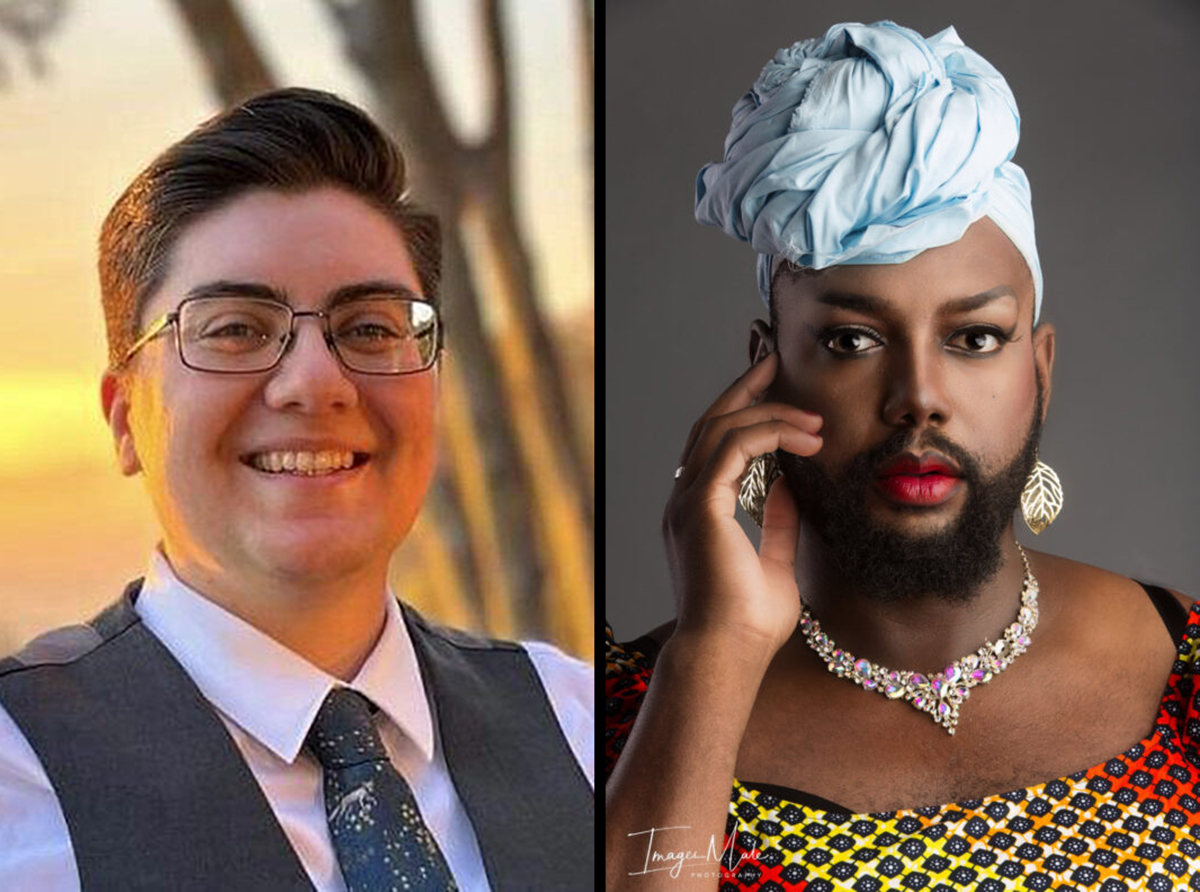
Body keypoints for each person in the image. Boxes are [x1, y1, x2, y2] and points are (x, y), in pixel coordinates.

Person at [605, 21, 1199, 892]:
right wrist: (717, 656)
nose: (918, 393)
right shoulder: (611, 719)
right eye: (851, 339)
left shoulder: (1183, 668)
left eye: (973, 336)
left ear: (1038, 369)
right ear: (764, 374)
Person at [0, 87, 593, 891]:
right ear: (124, 420)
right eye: (236, 328)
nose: (316, 383)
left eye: (371, 329)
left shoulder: (588, 725)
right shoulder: (19, 783)